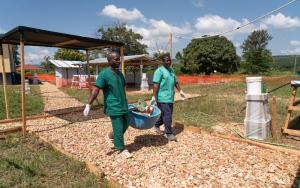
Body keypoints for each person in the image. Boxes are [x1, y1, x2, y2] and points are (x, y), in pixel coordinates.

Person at [83, 51, 132, 159]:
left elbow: (121, 89)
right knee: (118, 127)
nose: (118, 61)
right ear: (109, 61)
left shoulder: (120, 74)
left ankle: (110, 136)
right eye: (116, 59)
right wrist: (89, 105)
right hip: (113, 105)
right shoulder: (104, 74)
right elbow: (96, 90)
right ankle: (120, 148)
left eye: (119, 59)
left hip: (123, 104)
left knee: (127, 122)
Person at [150, 54, 186, 141]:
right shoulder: (159, 71)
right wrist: (154, 96)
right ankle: (168, 133)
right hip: (162, 97)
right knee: (168, 115)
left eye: (170, 60)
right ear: (162, 62)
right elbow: (155, 84)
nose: (169, 62)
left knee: (164, 115)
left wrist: (180, 91)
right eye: (167, 60)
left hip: (170, 97)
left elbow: (175, 82)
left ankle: (156, 124)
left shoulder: (171, 70)